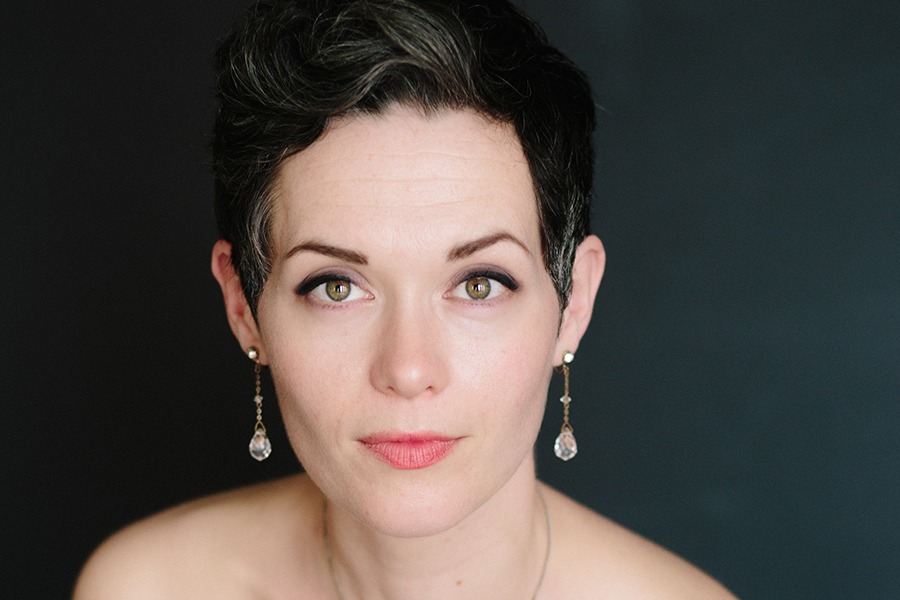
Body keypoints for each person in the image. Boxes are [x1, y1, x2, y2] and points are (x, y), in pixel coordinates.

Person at [74, 1, 736, 598]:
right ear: (244, 304)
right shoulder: (143, 587)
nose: (408, 369)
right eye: (337, 287)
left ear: (575, 301)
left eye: (479, 284)